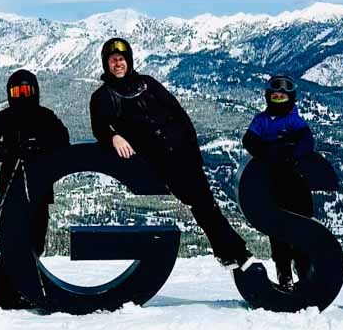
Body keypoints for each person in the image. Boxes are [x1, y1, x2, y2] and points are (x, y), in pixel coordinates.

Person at [90, 37, 252, 271]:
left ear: (129, 61)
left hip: (182, 152)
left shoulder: (148, 84)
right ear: (106, 64)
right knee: (202, 202)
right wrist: (113, 137)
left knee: (204, 203)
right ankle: (234, 252)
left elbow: (179, 114)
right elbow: (99, 127)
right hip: (159, 161)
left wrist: (193, 149)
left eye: (122, 59)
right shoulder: (103, 96)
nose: (118, 64)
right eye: (113, 60)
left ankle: (231, 252)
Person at [0, 69, 70, 309]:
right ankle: (2, 295)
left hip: (39, 188)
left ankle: (24, 290)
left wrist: (40, 148)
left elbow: (63, 140)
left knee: (36, 242)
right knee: (12, 241)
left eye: (26, 90)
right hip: (13, 185)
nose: (22, 95)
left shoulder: (45, 117)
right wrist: (3, 152)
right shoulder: (6, 118)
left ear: (35, 91)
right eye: (17, 91)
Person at [242, 75, 316, 291]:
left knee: (300, 229)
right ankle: (284, 274)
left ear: (290, 99)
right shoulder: (261, 120)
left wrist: (291, 154)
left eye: (282, 97)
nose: (278, 100)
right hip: (272, 185)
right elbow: (249, 140)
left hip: (296, 185)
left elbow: (307, 142)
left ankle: (305, 272)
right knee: (278, 232)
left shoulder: (294, 120)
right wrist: (268, 152)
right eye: (274, 96)